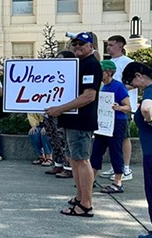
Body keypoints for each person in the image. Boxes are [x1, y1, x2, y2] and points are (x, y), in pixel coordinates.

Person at [45, 31, 102, 218]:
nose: (77, 47)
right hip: (71, 120)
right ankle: (80, 197)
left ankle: (86, 204)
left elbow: (88, 96)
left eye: (82, 44)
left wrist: (60, 108)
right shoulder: (78, 65)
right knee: (75, 161)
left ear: (91, 46)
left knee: (82, 161)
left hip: (81, 121)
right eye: (74, 44)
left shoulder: (91, 65)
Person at [121, 62, 152, 238]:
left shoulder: (150, 90)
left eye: (131, 81)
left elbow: (147, 107)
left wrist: (149, 119)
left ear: (139, 75)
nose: (132, 86)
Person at [90, 60, 131, 194]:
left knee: (115, 150)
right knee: (97, 150)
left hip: (117, 121)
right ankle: (91, 179)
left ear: (108, 72)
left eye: (101, 71)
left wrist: (118, 107)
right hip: (103, 123)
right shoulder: (102, 87)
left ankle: (118, 182)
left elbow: (128, 107)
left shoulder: (118, 86)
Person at [101, 35, 134, 182]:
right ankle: (116, 166)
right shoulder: (109, 62)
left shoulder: (128, 62)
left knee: (124, 137)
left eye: (111, 45)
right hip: (108, 107)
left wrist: (118, 89)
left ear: (120, 46)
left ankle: (126, 168)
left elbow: (135, 82)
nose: (108, 48)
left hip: (123, 105)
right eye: (107, 45)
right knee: (111, 138)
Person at [43, 50, 74, 178]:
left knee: (63, 140)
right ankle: (58, 164)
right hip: (49, 111)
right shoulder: (51, 74)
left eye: (61, 59)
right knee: (54, 139)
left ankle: (68, 168)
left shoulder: (72, 74)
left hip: (64, 111)